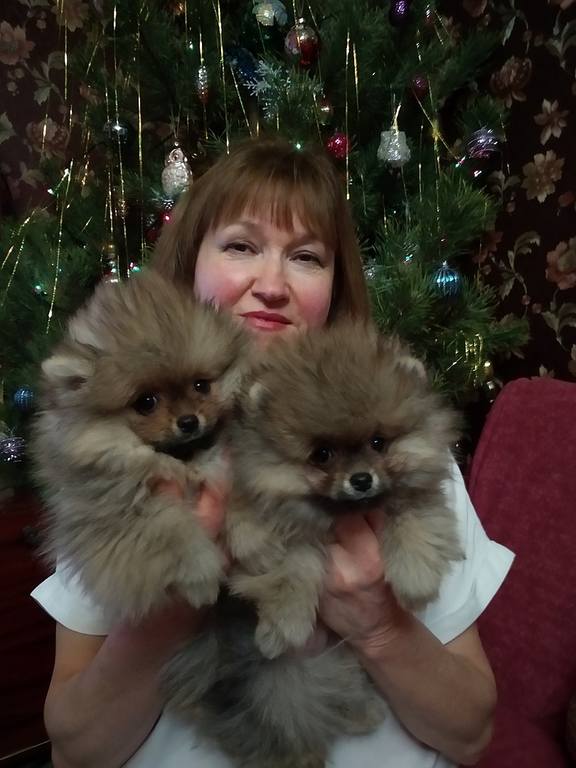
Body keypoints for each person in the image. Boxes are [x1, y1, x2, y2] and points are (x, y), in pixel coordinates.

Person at [31, 137, 514, 768]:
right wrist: (169, 608)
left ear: (335, 286)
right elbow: (73, 751)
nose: (273, 285)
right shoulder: (114, 461)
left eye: (306, 257)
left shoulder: (398, 448)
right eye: (241, 246)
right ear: (191, 262)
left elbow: (472, 733)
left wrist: (379, 627)